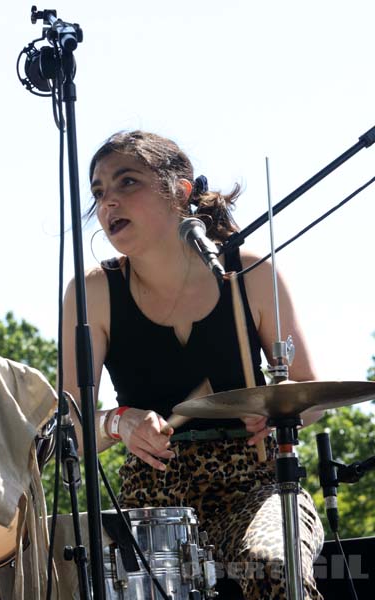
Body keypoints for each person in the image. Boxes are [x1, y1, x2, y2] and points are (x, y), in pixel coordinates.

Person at [62, 130, 324, 599]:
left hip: (256, 488)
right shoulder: (93, 292)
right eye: (99, 192)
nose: (108, 204)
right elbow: (67, 431)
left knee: (272, 568)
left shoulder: (250, 272)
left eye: (127, 183)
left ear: (179, 191)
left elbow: (312, 394)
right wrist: (118, 423)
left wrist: (280, 409)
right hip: (152, 503)